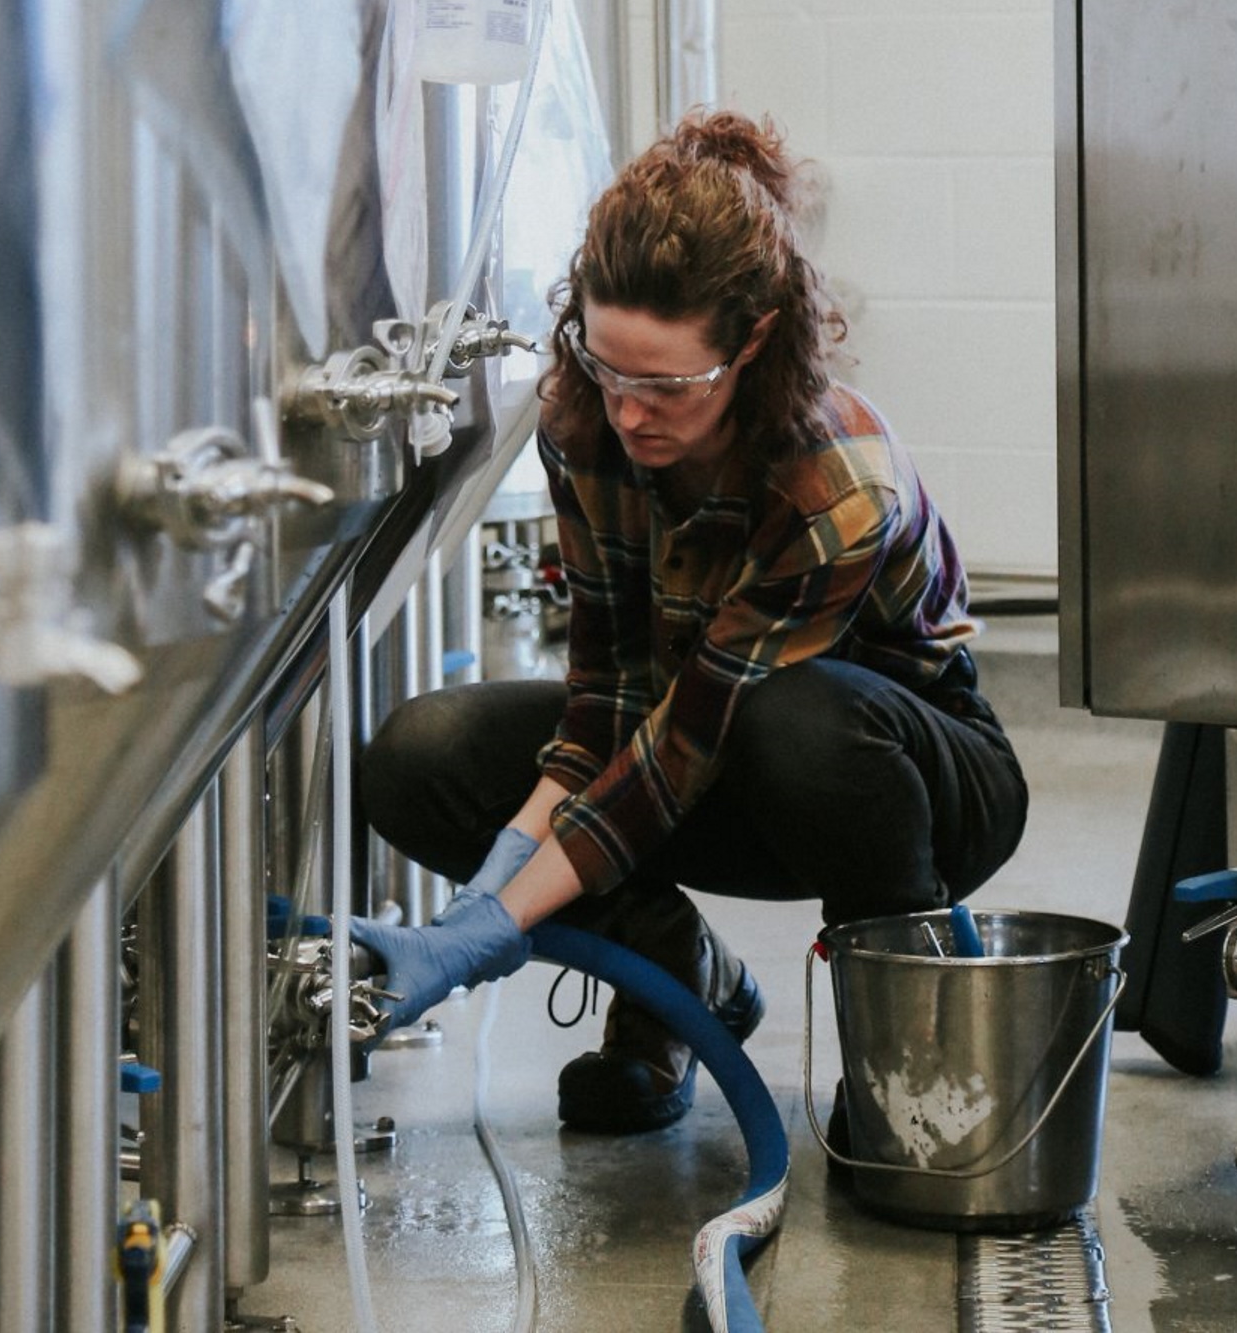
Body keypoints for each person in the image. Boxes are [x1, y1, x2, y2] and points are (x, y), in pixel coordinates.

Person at [352, 109, 1029, 1134]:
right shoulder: (586, 426)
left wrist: (500, 921)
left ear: (753, 342)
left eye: (665, 385)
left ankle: (905, 1062)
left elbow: (684, 742)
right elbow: (606, 707)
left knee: (793, 720)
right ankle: (676, 988)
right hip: (705, 751)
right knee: (420, 756)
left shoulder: (832, 481)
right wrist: (481, 899)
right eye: (607, 366)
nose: (629, 411)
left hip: (901, 782)